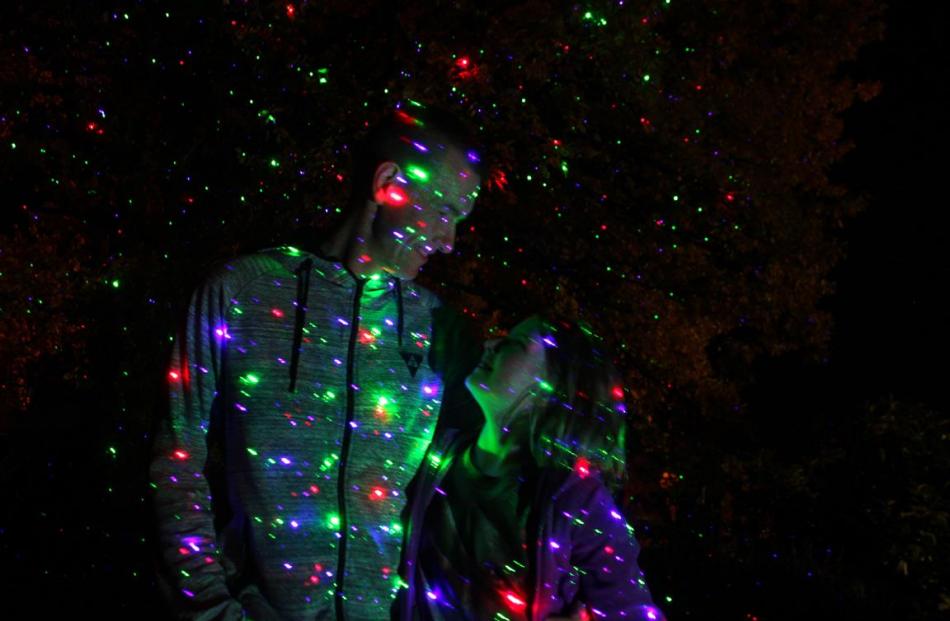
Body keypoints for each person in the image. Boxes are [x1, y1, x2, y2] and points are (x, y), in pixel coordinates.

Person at [150, 102, 484, 620]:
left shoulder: (442, 333)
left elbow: (469, 491)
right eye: (445, 213)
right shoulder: (243, 293)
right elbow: (177, 461)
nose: (449, 242)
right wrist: (214, 611)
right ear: (389, 183)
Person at [406, 316, 666, 620]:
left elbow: (632, 611)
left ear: (555, 386)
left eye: (513, 344)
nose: (489, 344)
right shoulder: (430, 457)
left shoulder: (579, 502)